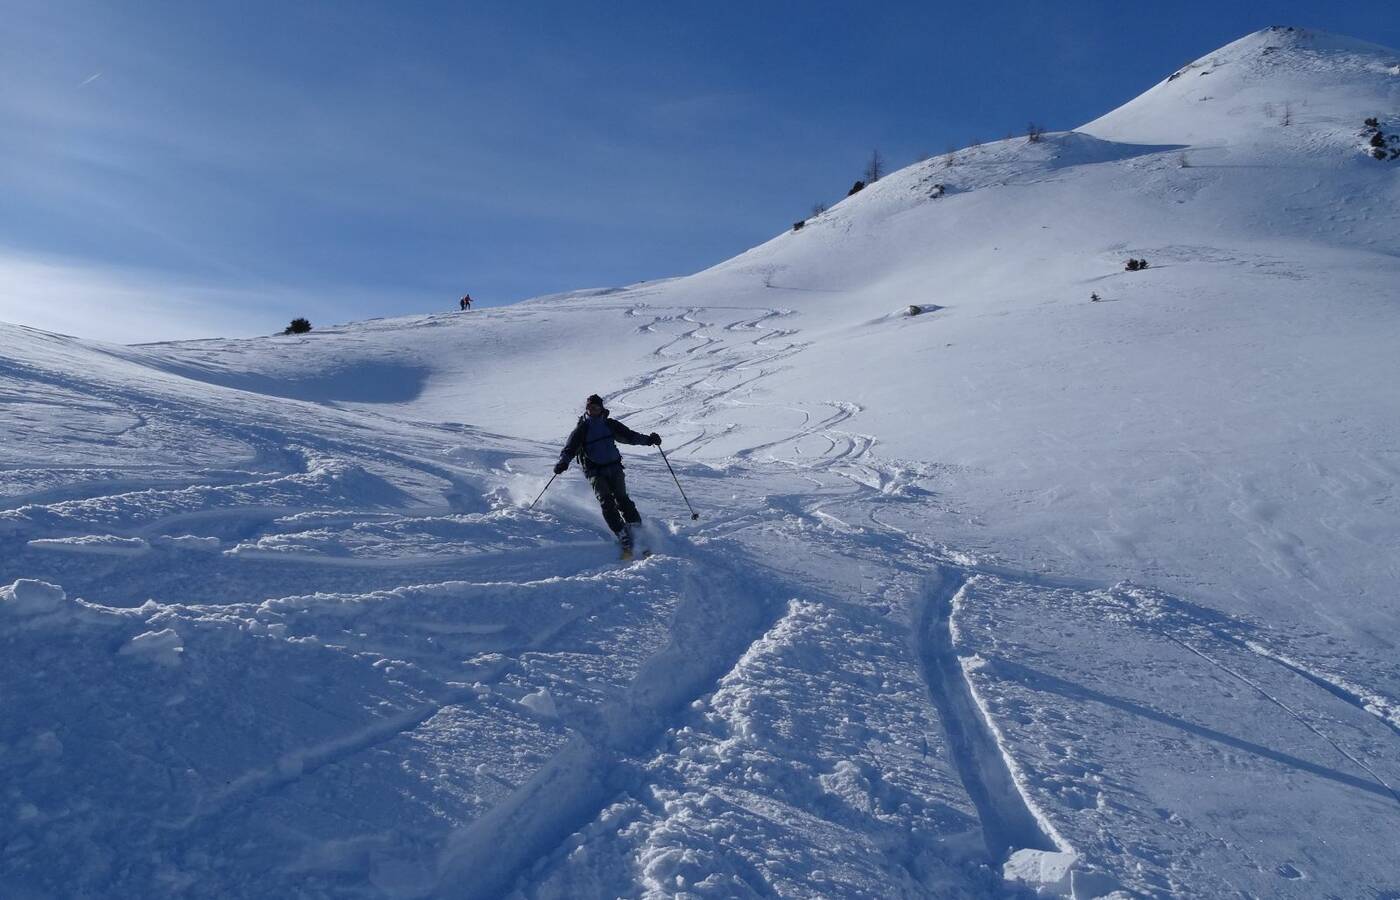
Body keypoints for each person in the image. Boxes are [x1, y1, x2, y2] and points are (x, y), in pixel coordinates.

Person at [554, 394, 661, 556]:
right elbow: (569, 449)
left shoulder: (610, 424)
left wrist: (649, 440)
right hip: (595, 470)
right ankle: (622, 533)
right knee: (606, 501)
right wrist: (563, 462)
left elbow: (630, 437)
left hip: (614, 468)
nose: (592, 410)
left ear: (601, 408)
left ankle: (637, 529)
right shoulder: (582, 429)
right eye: (589, 408)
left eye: (595, 407)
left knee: (622, 499)